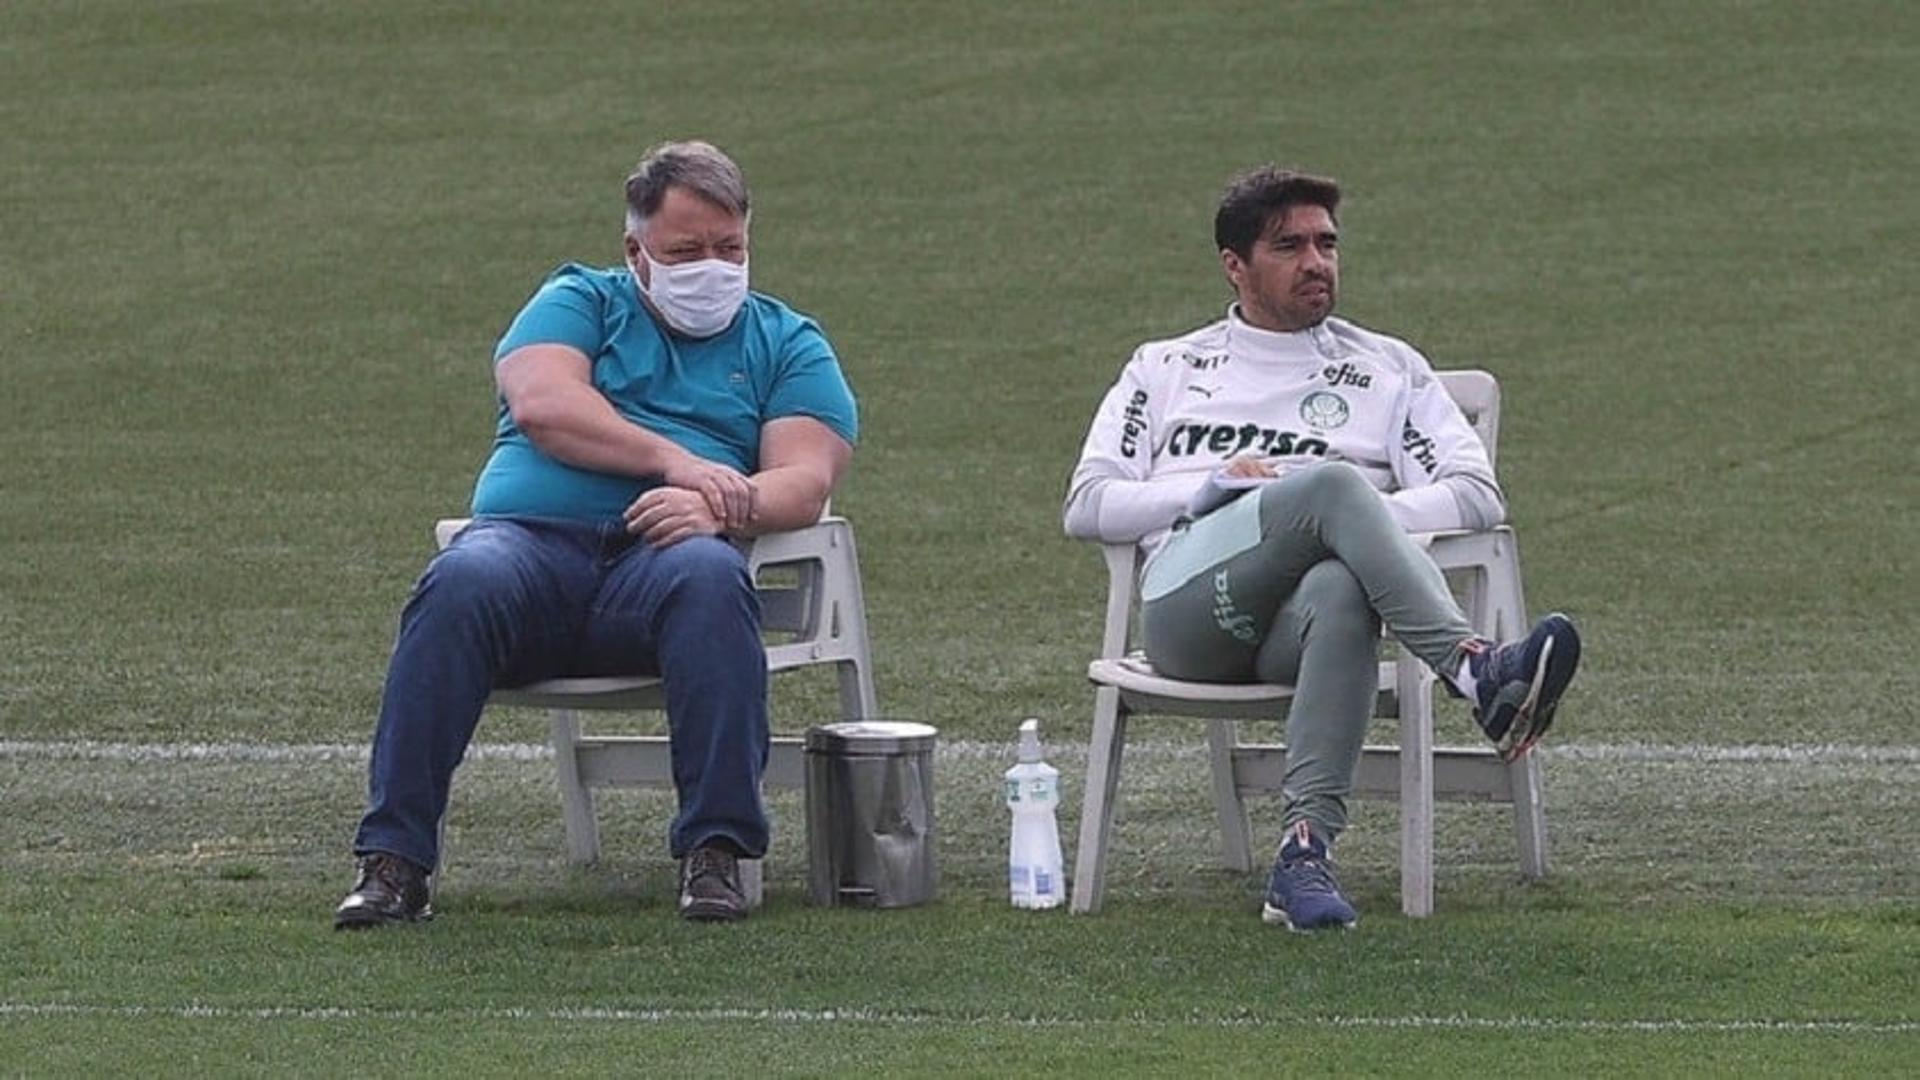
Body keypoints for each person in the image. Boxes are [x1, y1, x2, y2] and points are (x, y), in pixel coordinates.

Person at [335, 140, 858, 927]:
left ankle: (715, 853)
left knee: (713, 580)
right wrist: (678, 463)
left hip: (665, 565)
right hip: (529, 551)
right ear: (635, 250)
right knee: (458, 580)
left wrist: (726, 505)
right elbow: (545, 407)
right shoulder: (578, 300)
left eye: (730, 248)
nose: (711, 267)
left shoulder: (787, 342)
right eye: (686, 251)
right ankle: (394, 862)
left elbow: (806, 478)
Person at [1063, 166, 1581, 931]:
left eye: (1327, 243)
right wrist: (1206, 490)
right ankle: (1477, 673)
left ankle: (1303, 857)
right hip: (1191, 608)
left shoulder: (1384, 368)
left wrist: (1350, 527)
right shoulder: (1167, 366)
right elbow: (1087, 504)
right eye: (1290, 246)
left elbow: (1476, 492)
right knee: (1335, 488)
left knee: (1342, 581)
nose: (1317, 262)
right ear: (1235, 265)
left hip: (1297, 626)